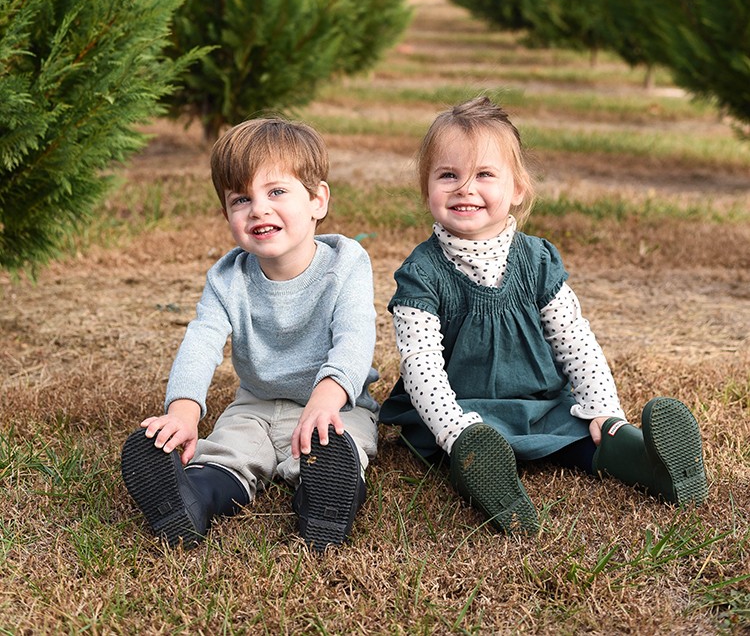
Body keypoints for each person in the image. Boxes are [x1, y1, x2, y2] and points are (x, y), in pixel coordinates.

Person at [379, 96, 707, 534]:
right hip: (462, 411)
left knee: (586, 437)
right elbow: (421, 366)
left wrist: (604, 411)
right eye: (448, 175)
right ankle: (492, 482)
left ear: (517, 188)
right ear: (427, 189)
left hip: (541, 405)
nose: (465, 188)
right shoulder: (422, 273)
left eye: (484, 175)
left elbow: (574, 340)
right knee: (466, 448)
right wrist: (453, 427)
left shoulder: (536, 260)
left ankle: (650, 463)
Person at [121, 116, 379, 551]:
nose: (258, 209)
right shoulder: (227, 278)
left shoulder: (345, 263)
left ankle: (325, 501)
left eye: (277, 191)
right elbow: (201, 343)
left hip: (336, 405)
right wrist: (183, 412)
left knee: (336, 447)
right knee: (227, 453)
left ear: (318, 199)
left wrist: (327, 397)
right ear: (227, 214)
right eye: (241, 199)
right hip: (255, 404)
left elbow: (355, 337)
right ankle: (192, 502)